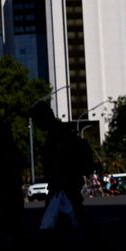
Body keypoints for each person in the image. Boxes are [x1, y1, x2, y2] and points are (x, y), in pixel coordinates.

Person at [29, 102, 97, 239]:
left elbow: (61, 160)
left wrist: (58, 180)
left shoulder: (57, 134)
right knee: (72, 214)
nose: (36, 124)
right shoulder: (60, 131)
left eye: (37, 120)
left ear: (44, 118)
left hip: (63, 183)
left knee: (59, 217)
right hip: (65, 183)